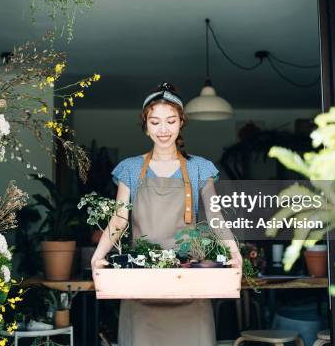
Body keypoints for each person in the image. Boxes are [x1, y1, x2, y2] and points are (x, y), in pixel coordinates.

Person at [90, 82, 243, 346]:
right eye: (155, 122)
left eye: (170, 121)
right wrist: (98, 255)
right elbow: (119, 218)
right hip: (141, 283)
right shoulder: (130, 169)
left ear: (181, 123)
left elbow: (215, 217)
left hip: (189, 282)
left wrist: (234, 252)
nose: (163, 130)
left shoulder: (200, 168)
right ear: (145, 125)